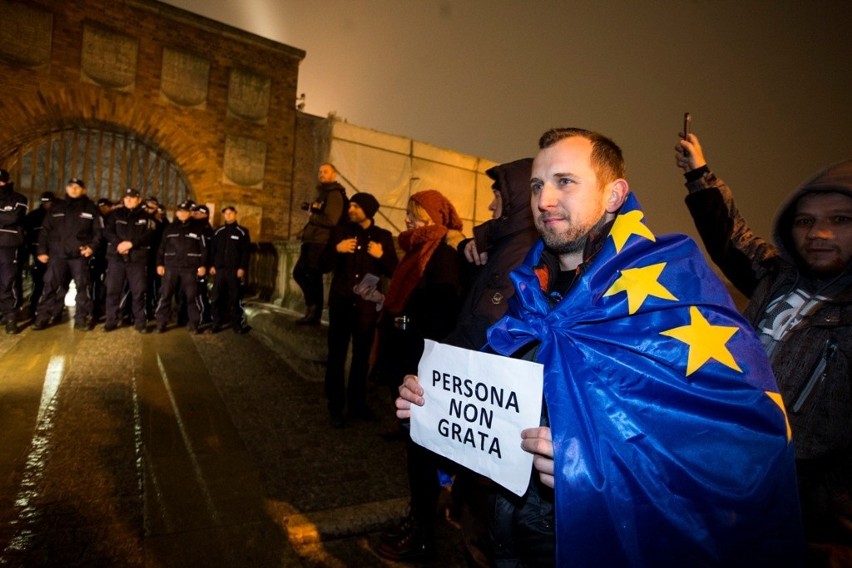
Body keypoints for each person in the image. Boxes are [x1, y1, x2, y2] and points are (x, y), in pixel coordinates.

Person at [396, 128, 804, 566]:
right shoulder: (530, 289)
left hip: (606, 542)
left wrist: (595, 463)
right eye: (537, 185)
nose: (544, 200)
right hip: (509, 534)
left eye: (565, 182)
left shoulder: (675, 286)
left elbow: (745, 440)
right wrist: (433, 402)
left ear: (614, 195)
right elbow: (502, 400)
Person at [675, 133, 852, 563]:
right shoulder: (774, 276)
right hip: (726, 478)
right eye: (805, 221)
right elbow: (729, 236)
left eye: (841, 220)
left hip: (805, 514)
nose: (819, 233)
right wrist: (699, 174)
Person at [357, 189, 464, 562]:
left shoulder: (443, 258)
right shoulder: (416, 253)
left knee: (422, 455)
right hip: (404, 362)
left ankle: (423, 535)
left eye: (415, 215)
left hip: (420, 371)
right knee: (414, 453)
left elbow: (441, 317)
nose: (407, 220)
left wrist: (407, 327)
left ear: (434, 221)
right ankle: (418, 518)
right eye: (407, 213)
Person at [321, 192, 398, 428]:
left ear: (368, 209)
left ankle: (357, 404)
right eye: (350, 205)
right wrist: (337, 249)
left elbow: (393, 270)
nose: (350, 209)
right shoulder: (340, 232)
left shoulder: (383, 236)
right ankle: (335, 406)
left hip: (366, 307)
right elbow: (323, 266)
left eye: (355, 205)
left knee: (362, 358)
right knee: (336, 355)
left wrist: (381, 255)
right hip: (341, 303)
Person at [33, 178, 103, 331]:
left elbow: (98, 232)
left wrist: (91, 248)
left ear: (83, 190)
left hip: (79, 255)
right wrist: (41, 251)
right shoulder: (56, 207)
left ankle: (82, 319)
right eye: (71, 186)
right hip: (57, 255)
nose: (74, 189)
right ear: (66, 188)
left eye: (78, 187)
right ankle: (43, 317)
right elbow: (45, 230)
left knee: (83, 287)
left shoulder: (91, 208)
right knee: (50, 286)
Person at [293, 162, 347, 325]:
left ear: (334, 174)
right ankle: (312, 308)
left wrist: (311, 216)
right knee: (300, 273)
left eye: (325, 171)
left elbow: (331, 220)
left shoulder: (334, 194)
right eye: (320, 171)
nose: (321, 174)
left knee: (312, 276)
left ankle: (314, 313)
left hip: (320, 242)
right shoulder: (323, 193)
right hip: (311, 240)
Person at [102, 187, 156, 333]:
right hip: (116, 258)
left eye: (132, 198)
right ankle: (111, 320)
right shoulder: (114, 215)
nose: (129, 200)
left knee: (138, 292)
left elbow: (149, 235)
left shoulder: (147, 217)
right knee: (113, 290)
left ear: (138, 200)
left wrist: (131, 243)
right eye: (126, 198)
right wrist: (118, 243)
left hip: (136, 259)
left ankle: (140, 322)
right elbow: (107, 231)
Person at [154, 200, 207, 334]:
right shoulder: (169, 228)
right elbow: (161, 248)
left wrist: (203, 265)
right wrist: (159, 264)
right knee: (165, 295)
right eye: (180, 211)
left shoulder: (198, 229)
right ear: (177, 213)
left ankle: (194, 323)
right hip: (171, 267)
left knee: (191, 296)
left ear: (189, 213)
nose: (182, 214)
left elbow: (204, 249)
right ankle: (161, 323)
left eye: (185, 211)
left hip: (190, 268)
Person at [208, 206, 252, 334]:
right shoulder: (218, 232)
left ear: (235, 214)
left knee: (235, 297)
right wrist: (212, 265)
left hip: (234, 270)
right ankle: (216, 323)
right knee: (216, 297)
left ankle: (236, 324)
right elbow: (212, 250)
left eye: (230, 213)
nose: (228, 216)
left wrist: (242, 267)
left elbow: (245, 252)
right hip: (220, 270)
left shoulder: (242, 232)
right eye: (226, 214)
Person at [0, 169, 28, 334]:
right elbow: (7, 218)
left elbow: (13, 218)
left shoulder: (19, 199)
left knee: (7, 282)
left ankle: (11, 316)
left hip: (9, 246)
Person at [23, 191, 54, 317]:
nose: (47, 204)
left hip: (53, 253)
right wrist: (32, 250)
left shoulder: (55, 215)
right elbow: (28, 235)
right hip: (38, 253)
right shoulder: (34, 216)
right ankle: (35, 306)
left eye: (49, 201)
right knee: (38, 281)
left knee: (50, 281)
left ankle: (48, 306)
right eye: (45, 201)